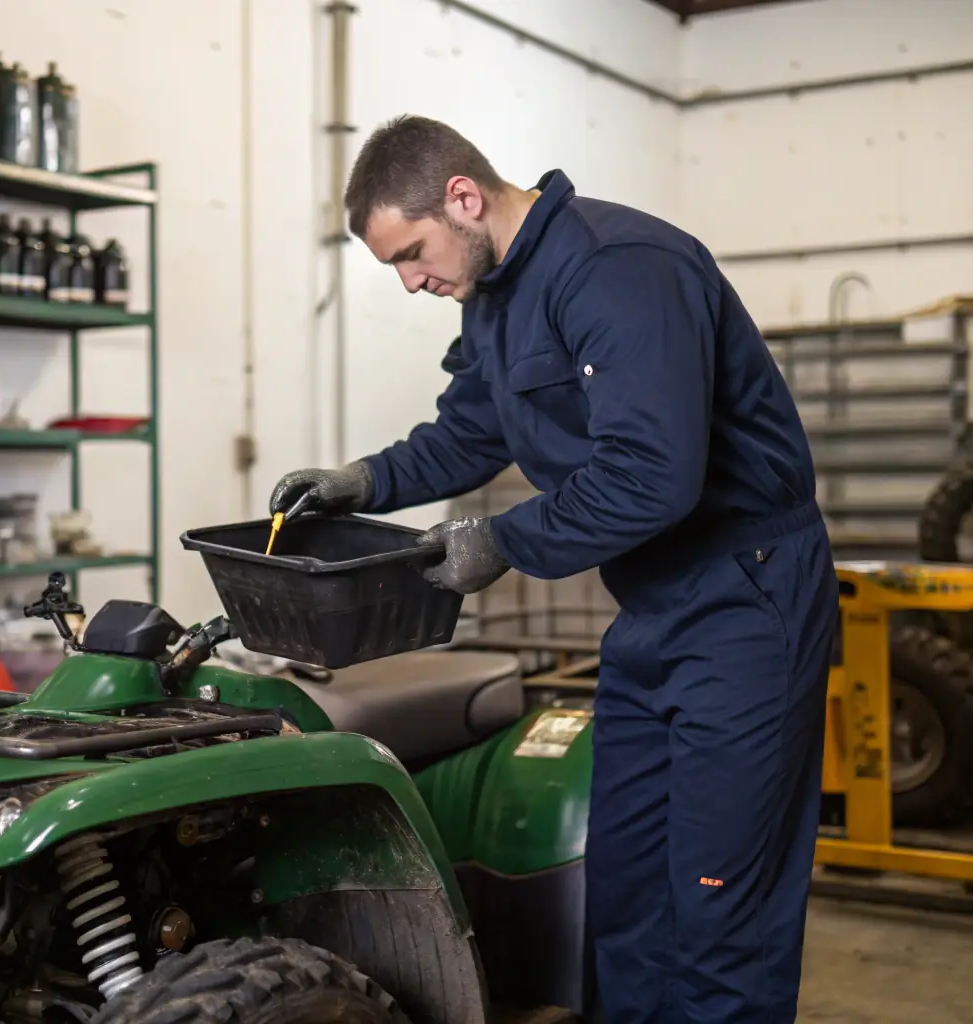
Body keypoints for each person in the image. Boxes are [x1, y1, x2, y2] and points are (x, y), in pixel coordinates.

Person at [268, 114, 836, 1023]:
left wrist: (501, 543)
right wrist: (361, 481)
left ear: (463, 197)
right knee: (628, 886)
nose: (412, 281)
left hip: (746, 598)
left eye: (410, 253)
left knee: (722, 896)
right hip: (650, 605)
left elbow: (653, 475)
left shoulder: (620, 267)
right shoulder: (492, 295)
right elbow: (469, 433)